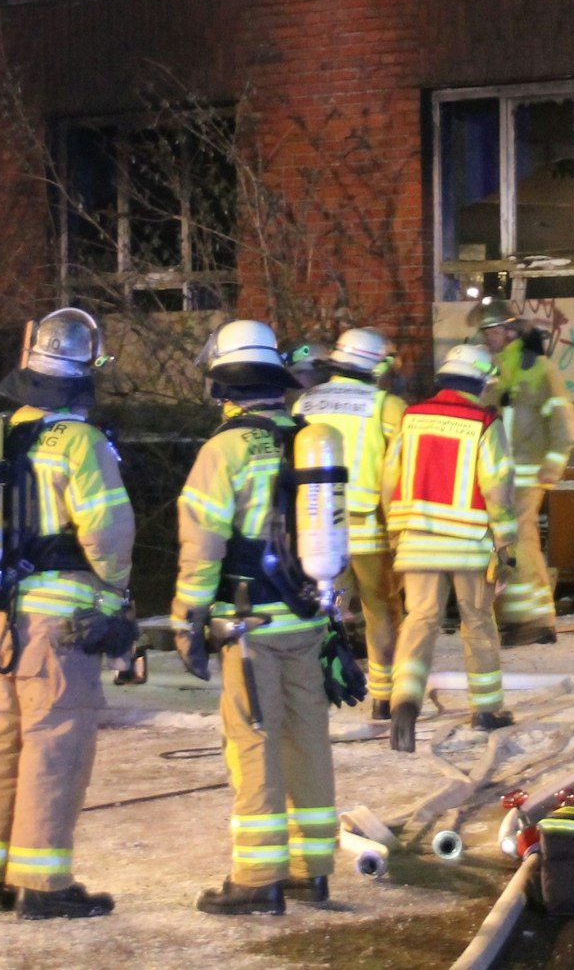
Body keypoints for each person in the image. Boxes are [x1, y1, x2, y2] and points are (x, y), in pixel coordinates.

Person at [0, 307, 136, 920]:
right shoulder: (81, 443)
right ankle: (43, 885)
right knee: (54, 746)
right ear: (85, 375)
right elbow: (107, 533)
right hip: (58, 625)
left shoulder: (2, 436)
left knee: (2, 741)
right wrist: (116, 600)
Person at [172, 319, 338, 916]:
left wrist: (186, 619)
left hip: (250, 626)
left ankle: (258, 878)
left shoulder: (226, 449)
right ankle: (312, 869)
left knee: (255, 742)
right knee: (307, 738)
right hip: (306, 619)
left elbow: (202, 547)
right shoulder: (308, 438)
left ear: (223, 387)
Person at [382, 343, 518, 752]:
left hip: (418, 541)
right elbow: (497, 486)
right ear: (480, 382)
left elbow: (390, 479)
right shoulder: (483, 422)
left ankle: (404, 702)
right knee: (476, 620)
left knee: (419, 619)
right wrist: (506, 544)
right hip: (468, 544)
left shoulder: (413, 417)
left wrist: (395, 532)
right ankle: (487, 709)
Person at [294, 326, 408, 721]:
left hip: (316, 532)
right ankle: (383, 696)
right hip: (369, 529)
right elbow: (401, 473)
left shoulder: (305, 402)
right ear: (375, 365)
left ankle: (315, 690)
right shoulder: (388, 407)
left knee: (321, 612)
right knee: (382, 611)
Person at [471, 297, 574, 647]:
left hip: (527, 473)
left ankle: (533, 620)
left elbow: (564, 420)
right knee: (506, 544)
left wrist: (554, 462)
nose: (487, 337)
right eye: (484, 331)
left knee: (517, 541)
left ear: (508, 330)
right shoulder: (492, 370)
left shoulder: (538, 368)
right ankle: (519, 619)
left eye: (492, 331)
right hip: (497, 473)